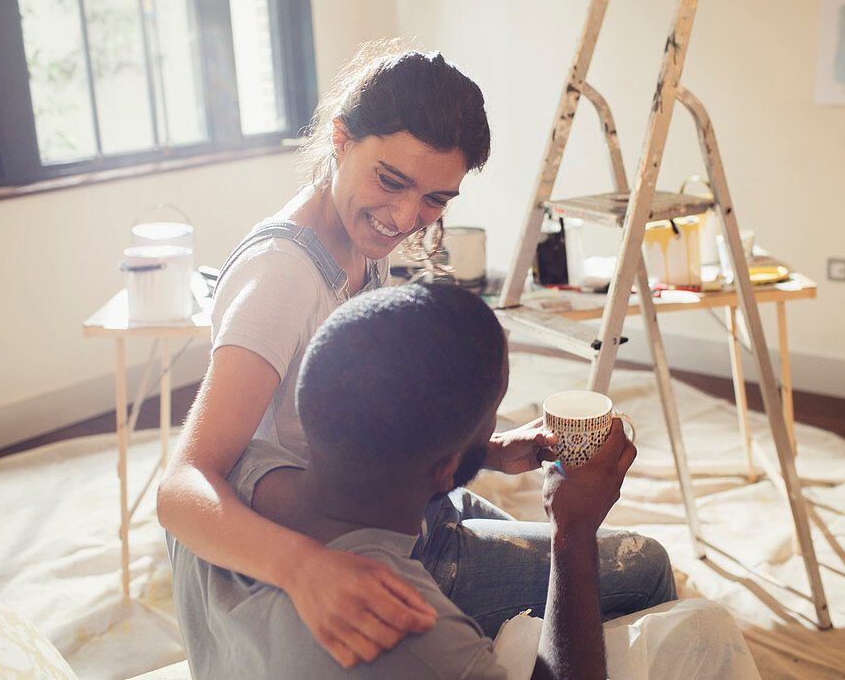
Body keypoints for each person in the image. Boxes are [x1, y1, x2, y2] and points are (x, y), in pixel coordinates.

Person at [157, 42, 676, 668]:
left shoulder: (356, 239)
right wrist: (306, 570)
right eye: (391, 180)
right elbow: (181, 487)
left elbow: (373, 424)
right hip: (350, 543)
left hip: (398, 509)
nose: (405, 217)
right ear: (341, 139)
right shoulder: (282, 277)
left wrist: (484, 453)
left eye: (436, 199)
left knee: (516, 524)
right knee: (643, 568)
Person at [167, 283, 641, 679]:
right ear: (445, 468)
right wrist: (572, 532)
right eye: (491, 412)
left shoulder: (221, 477)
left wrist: (480, 448)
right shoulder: (407, 626)